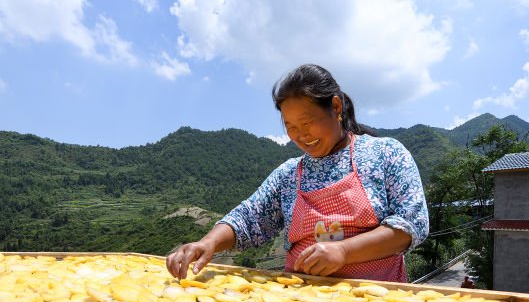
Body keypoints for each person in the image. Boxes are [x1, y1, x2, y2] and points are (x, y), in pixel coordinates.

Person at [166, 64, 429, 282]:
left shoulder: (385, 153)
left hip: (376, 299)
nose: (301, 135)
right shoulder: (290, 174)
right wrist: (209, 242)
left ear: (336, 107)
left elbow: (411, 225)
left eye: (307, 122)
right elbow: (249, 218)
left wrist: (344, 251)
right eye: (290, 126)